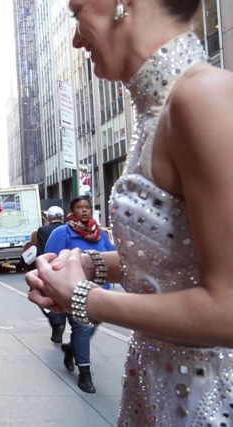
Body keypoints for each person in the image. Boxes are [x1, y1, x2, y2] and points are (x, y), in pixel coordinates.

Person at [28, 0, 233, 423]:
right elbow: (181, 259)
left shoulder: (203, 97)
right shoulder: (158, 113)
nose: (76, 38)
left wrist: (84, 298)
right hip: (158, 392)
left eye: (77, 11)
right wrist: (90, 264)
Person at [43, 196, 114, 393]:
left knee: (90, 328)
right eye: (79, 207)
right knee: (82, 329)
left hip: (100, 293)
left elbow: (115, 259)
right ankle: (85, 373)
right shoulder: (62, 233)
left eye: (87, 207)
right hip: (74, 293)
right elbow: (50, 260)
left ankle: (71, 349)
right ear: (72, 211)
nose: (84, 211)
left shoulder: (101, 235)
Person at [35, 206, 67, 343]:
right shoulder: (68, 229)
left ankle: (57, 321)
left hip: (50, 267)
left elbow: (41, 251)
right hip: (67, 268)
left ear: (49, 217)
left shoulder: (43, 230)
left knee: (44, 297)